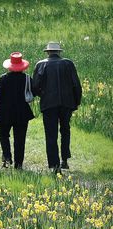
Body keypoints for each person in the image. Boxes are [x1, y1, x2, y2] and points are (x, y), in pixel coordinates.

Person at [33, 42, 82, 174]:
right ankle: (65, 160)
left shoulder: (41, 64)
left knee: (51, 134)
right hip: (67, 103)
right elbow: (76, 85)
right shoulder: (68, 63)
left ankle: (55, 165)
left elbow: (35, 86)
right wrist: (76, 102)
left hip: (49, 104)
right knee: (65, 130)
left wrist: (41, 95)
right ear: (59, 52)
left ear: (48, 52)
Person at [0, 52, 34, 169]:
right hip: (22, 113)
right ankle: (18, 164)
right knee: (20, 139)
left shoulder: (3, 79)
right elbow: (34, 92)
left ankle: (7, 157)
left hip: (5, 112)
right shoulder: (27, 79)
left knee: (3, 134)